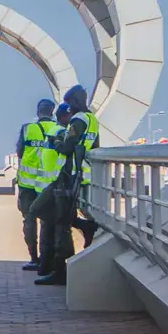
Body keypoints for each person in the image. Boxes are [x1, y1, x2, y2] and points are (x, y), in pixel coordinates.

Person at [32, 86, 100, 286]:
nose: (68, 109)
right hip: (84, 174)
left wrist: (56, 143)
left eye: (70, 104)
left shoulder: (78, 120)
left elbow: (68, 146)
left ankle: (62, 270)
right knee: (60, 218)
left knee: (55, 219)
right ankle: (82, 226)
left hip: (69, 176)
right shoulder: (92, 119)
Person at [15, 99, 59, 271]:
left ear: (38, 111)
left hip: (27, 184)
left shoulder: (28, 129)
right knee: (48, 221)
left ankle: (33, 257)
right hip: (48, 184)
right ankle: (47, 259)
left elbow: (19, 151)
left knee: (29, 219)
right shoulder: (59, 130)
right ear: (52, 112)